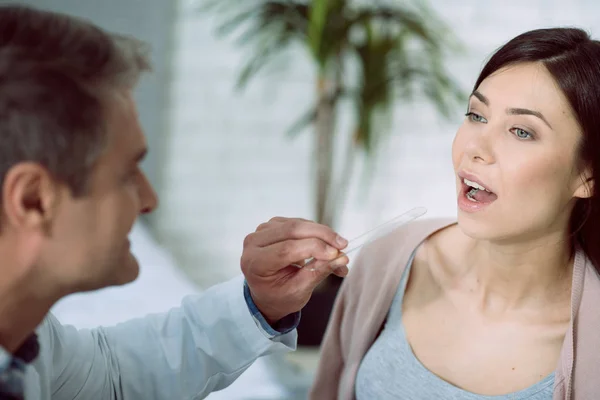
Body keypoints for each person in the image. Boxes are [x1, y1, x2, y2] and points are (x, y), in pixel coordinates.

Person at [0, 5, 351, 400]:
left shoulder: (27, 343)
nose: (149, 201)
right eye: (127, 174)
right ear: (33, 200)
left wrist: (259, 303)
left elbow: (112, 377)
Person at [310, 27, 600, 400]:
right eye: (476, 115)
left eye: (521, 132)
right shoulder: (389, 259)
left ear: (587, 174)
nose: (474, 147)